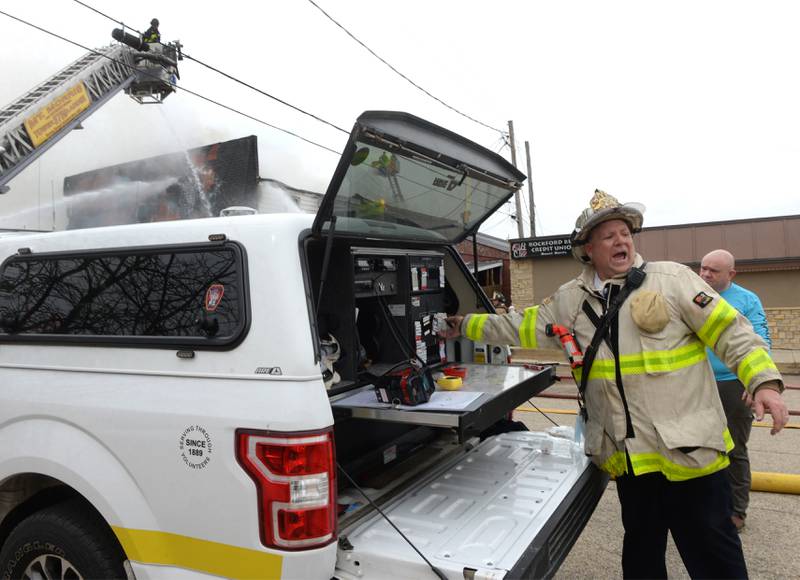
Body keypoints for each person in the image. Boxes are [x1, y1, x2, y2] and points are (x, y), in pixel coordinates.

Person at [441, 189, 789, 579]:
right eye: (608, 236)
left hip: (692, 458)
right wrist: (462, 326)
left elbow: (733, 333)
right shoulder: (571, 300)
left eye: (625, 232)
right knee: (641, 560)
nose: (621, 240)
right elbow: (517, 325)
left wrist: (764, 383)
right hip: (630, 463)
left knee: (715, 560)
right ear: (588, 248)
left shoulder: (672, 280)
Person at [700, 249, 770, 532]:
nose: (705, 274)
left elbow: (760, 340)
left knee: (734, 450)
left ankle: (737, 511)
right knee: (699, 446)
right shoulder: (693, 295)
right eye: (702, 268)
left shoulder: (747, 300)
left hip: (733, 384)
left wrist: (756, 381)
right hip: (697, 382)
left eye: (713, 271)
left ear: (731, 274)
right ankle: (705, 504)